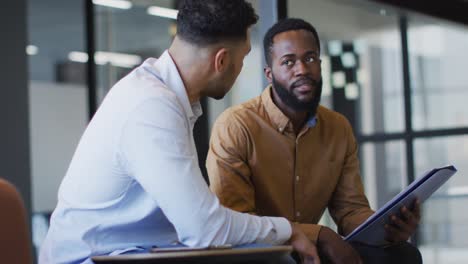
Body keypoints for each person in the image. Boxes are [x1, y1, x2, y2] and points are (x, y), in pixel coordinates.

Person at [39, 3, 320, 264]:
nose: (241, 67)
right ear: (221, 61)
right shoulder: (151, 106)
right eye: (243, 56)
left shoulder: (159, 94)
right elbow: (205, 229)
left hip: (129, 252)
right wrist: (289, 229)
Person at [207, 18, 422, 264]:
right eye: (288, 62)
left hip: (314, 248)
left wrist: (388, 229)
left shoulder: (338, 127)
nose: (302, 70)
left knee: (402, 255)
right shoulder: (235, 125)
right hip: (259, 251)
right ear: (269, 74)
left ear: (320, 64)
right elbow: (236, 219)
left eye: (310, 59)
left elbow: (350, 210)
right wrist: (319, 234)